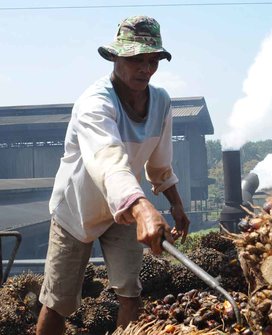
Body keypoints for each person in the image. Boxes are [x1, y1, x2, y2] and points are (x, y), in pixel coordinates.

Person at [36, 16, 190, 335]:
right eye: (135, 59)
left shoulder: (160, 101)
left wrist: (175, 204)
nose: (145, 69)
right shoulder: (94, 103)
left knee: (130, 294)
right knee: (59, 302)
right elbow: (109, 160)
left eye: (152, 61)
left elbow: (159, 164)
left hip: (123, 210)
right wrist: (144, 208)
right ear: (115, 57)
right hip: (77, 210)